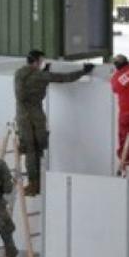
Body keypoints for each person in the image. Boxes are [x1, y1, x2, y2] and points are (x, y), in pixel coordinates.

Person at [14, 50, 95, 195]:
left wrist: (43, 73)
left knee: (29, 151)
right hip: (35, 117)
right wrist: (83, 71)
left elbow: (26, 88)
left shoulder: (19, 73)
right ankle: (37, 183)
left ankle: (33, 184)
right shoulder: (40, 76)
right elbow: (65, 78)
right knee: (37, 151)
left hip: (21, 117)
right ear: (37, 61)